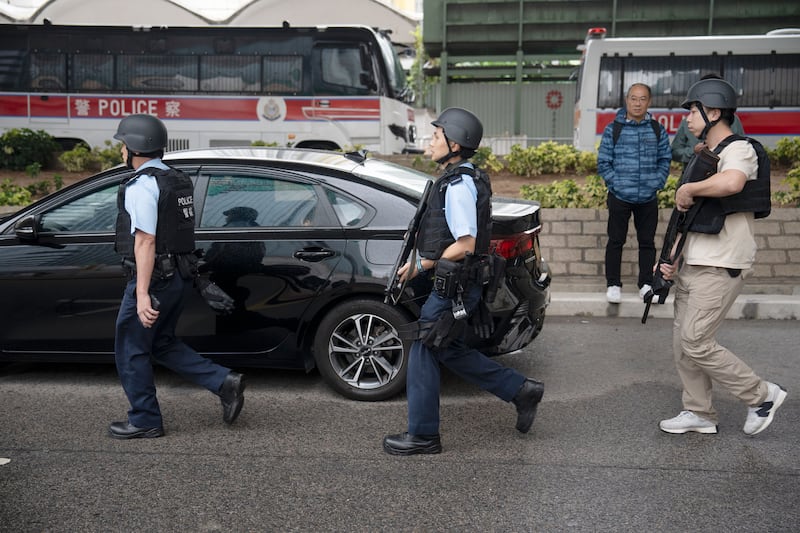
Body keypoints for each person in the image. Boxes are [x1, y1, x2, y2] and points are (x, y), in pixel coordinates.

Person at [382, 107, 544, 456]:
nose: (431, 140)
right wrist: (420, 266)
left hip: (454, 285)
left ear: (455, 143)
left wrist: (423, 264)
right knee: (444, 347)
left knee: (425, 344)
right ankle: (521, 390)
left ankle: (423, 434)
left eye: (437, 135)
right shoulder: (460, 177)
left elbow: (466, 243)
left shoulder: (458, 185)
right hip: (458, 283)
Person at [658, 78, 786, 436]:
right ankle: (699, 412)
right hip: (694, 260)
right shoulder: (703, 156)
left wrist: (688, 188)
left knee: (696, 340)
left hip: (722, 263)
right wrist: (670, 258)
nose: (686, 118)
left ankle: (761, 395)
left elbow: (731, 184)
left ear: (714, 112)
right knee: (683, 344)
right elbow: (691, 217)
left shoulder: (739, 149)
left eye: (693, 111)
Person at [109, 114, 245, 439]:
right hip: (181, 277)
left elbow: (146, 240)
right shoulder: (177, 179)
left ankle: (144, 419)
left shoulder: (143, 185)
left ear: (135, 148)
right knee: (163, 342)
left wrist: (141, 293)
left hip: (156, 281)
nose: (121, 151)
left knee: (131, 349)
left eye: (123, 145)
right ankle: (223, 382)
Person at [597, 83, 671, 303]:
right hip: (620, 196)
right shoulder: (614, 129)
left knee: (647, 242)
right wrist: (616, 184)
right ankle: (613, 285)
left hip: (648, 197)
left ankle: (646, 284)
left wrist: (656, 182)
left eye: (642, 99)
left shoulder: (657, 130)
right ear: (626, 100)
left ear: (649, 102)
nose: (637, 103)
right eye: (633, 98)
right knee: (615, 241)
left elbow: (664, 159)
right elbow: (603, 162)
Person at [671, 75, 745, 164]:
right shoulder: (688, 122)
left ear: (715, 114)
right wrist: (693, 151)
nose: (689, 119)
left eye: (694, 112)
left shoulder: (740, 148)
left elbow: (733, 174)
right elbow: (674, 151)